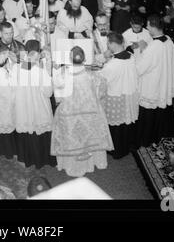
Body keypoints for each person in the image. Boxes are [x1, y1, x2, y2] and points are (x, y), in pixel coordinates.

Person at [51, 46, 114, 177]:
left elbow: (58, 95)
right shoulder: (92, 74)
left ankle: (73, 166)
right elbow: (101, 92)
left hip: (70, 113)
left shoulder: (63, 75)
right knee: (91, 135)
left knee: (73, 136)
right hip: (90, 111)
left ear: (69, 59)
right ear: (84, 59)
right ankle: (94, 162)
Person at [135, 15, 174, 148]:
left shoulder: (154, 46)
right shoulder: (169, 40)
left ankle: (147, 136)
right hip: (164, 81)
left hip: (153, 83)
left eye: (148, 25)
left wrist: (141, 50)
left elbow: (140, 69)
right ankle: (166, 130)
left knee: (150, 107)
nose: (147, 28)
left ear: (154, 27)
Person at [14, 40, 56, 169]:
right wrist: (49, 73)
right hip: (39, 107)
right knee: (41, 133)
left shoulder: (17, 68)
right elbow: (48, 92)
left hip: (24, 108)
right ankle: (44, 159)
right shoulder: (40, 71)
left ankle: (29, 158)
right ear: (37, 53)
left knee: (29, 132)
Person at [98, 32, 139, 159]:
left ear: (111, 44)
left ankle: (117, 150)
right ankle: (128, 145)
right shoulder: (131, 56)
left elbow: (101, 81)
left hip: (116, 96)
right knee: (126, 122)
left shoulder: (112, 65)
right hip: (130, 94)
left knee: (116, 125)